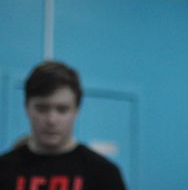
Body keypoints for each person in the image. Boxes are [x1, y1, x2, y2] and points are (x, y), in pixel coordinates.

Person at [0, 61, 127, 190]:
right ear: (27, 107)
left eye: (62, 110)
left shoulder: (103, 173)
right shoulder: (4, 169)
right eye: (42, 108)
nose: (51, 120)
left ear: (77, 110)